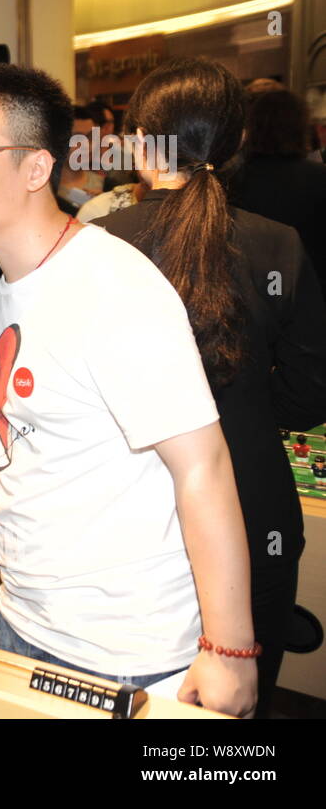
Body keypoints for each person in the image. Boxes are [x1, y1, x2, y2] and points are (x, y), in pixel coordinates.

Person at [0, 62, 257, 717]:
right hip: (25, 626)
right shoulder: (5, 295)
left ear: (36, 169)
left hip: (127, 650)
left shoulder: (111, 287)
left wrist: (230, 649)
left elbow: (204, 468)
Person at [100, 57, 326, 717]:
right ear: (236, 147)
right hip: (256, 505)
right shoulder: (277, 244)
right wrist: (248, 411)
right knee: (235, 709)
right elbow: (314, 388)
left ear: (142, 143)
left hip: (135, 505)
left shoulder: (103, 243)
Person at [227, 87, 326, 299]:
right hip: (311, 293)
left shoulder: (233, 180)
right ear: (300, 127)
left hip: (252, 295)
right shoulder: (319, 178)